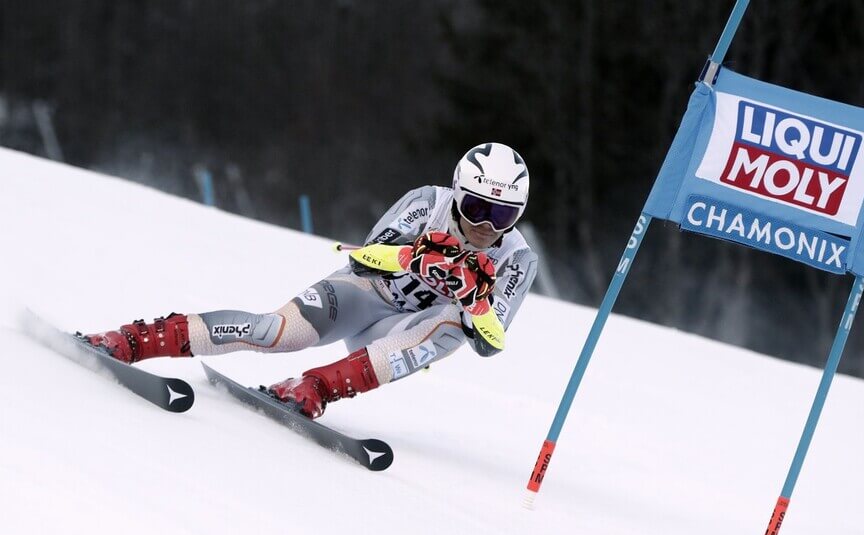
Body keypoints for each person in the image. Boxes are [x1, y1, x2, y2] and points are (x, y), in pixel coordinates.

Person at [82, 142, 539, 419]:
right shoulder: (428, 202)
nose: (486, 225)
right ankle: (133, 339)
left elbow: (491, 341)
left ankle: (312, 387)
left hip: (398, 334)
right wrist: (414, 257)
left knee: (451, 327)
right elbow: (364, 258)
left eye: (503, 214)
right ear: (458, 194)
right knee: (276, 332)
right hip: (363, 295)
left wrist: (476, 302)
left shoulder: (516, 257)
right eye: (478, 207)